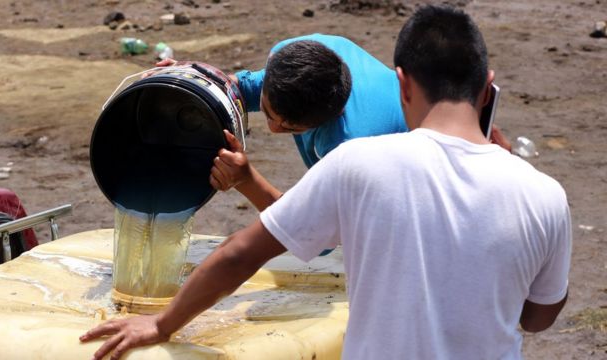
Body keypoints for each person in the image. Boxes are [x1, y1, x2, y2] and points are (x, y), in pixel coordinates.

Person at [81, 5, 571, 359]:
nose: (270, 129)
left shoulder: (359, 157)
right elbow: (538, 318)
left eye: (285, 127)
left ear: (402, 83)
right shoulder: (546, 197)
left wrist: (161, 324)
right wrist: (194, 77)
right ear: (487, 87)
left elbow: (265, 248)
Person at [159, 33, 409, 212]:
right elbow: (242, 89)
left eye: (291, 128)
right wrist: (189, 79)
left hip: (403, 193)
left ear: (330, 118)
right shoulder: (296, 57)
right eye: (268, 112)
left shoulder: (348, 148)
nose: (273, 128)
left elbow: (315, 233)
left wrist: (246, 180)